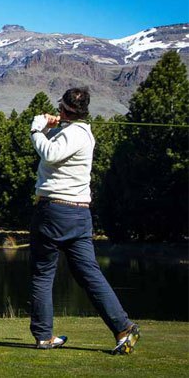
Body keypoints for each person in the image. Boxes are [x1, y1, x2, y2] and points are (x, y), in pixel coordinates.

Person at [28, 87, 140, 354]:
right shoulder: (79, 133)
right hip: (78, 214)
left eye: (61, 108)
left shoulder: (75, 135)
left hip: (54, 211)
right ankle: (123, 328)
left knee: (43, 275)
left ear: (64, 108)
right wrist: (49, 128)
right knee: (89, 273)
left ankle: (44, 336)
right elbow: (55, 146)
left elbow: (50, 154)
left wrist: (35, 129)